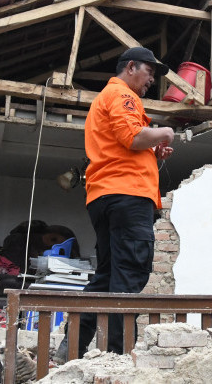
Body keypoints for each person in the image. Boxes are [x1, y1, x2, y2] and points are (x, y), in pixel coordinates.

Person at [72, 46, 174, 357]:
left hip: (106, 194)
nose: (151, 80)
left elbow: (125, 146)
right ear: (130, 67)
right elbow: (132, 138)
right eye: (149, 72)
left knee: (107, 276)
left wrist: (152, 150)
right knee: (129, 275)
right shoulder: (123, 95)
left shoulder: (107, 98)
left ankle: (72, 345)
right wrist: (165, 132)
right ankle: (118, 356)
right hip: (127, 196)